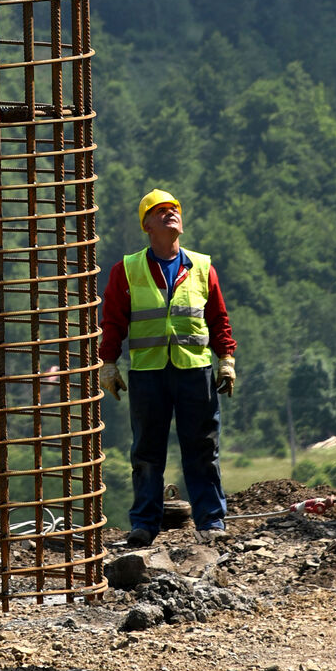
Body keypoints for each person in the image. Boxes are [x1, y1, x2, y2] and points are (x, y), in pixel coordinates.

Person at [99, 188, 236, 547]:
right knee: (146, 451)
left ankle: (211, 521)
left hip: (195, 371)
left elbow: (218, 319)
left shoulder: (202, 267)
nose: (170, 214)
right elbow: (113, 321)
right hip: (148, 374)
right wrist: (108, 364)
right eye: (160, 211)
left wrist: (227, 360)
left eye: (174, 209)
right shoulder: (127, 270)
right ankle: (144, 524)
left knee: (203, 447)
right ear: (147, 225)